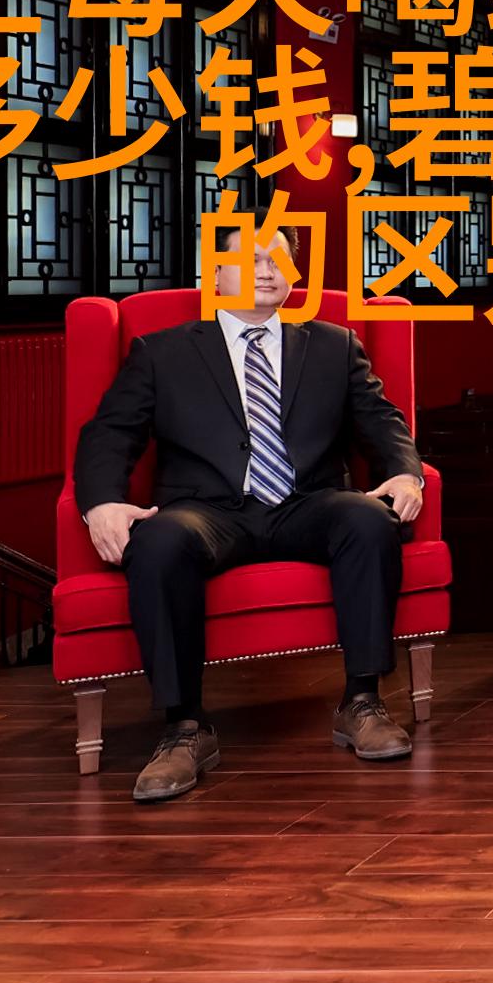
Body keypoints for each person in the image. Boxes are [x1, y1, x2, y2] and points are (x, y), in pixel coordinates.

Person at [73, 231, 425, 803]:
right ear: (215, 274)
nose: (266, 269)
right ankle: (184, 728)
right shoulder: (162, 352)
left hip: (307, 502)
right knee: (158, 542)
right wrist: (102, 503)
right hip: (206, 510)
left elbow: (382, 421)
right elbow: (109, 434)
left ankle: (362, 702)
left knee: (367, 519)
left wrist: (407, 474)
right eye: (249, 258)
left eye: (278, 259)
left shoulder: (334, 345)